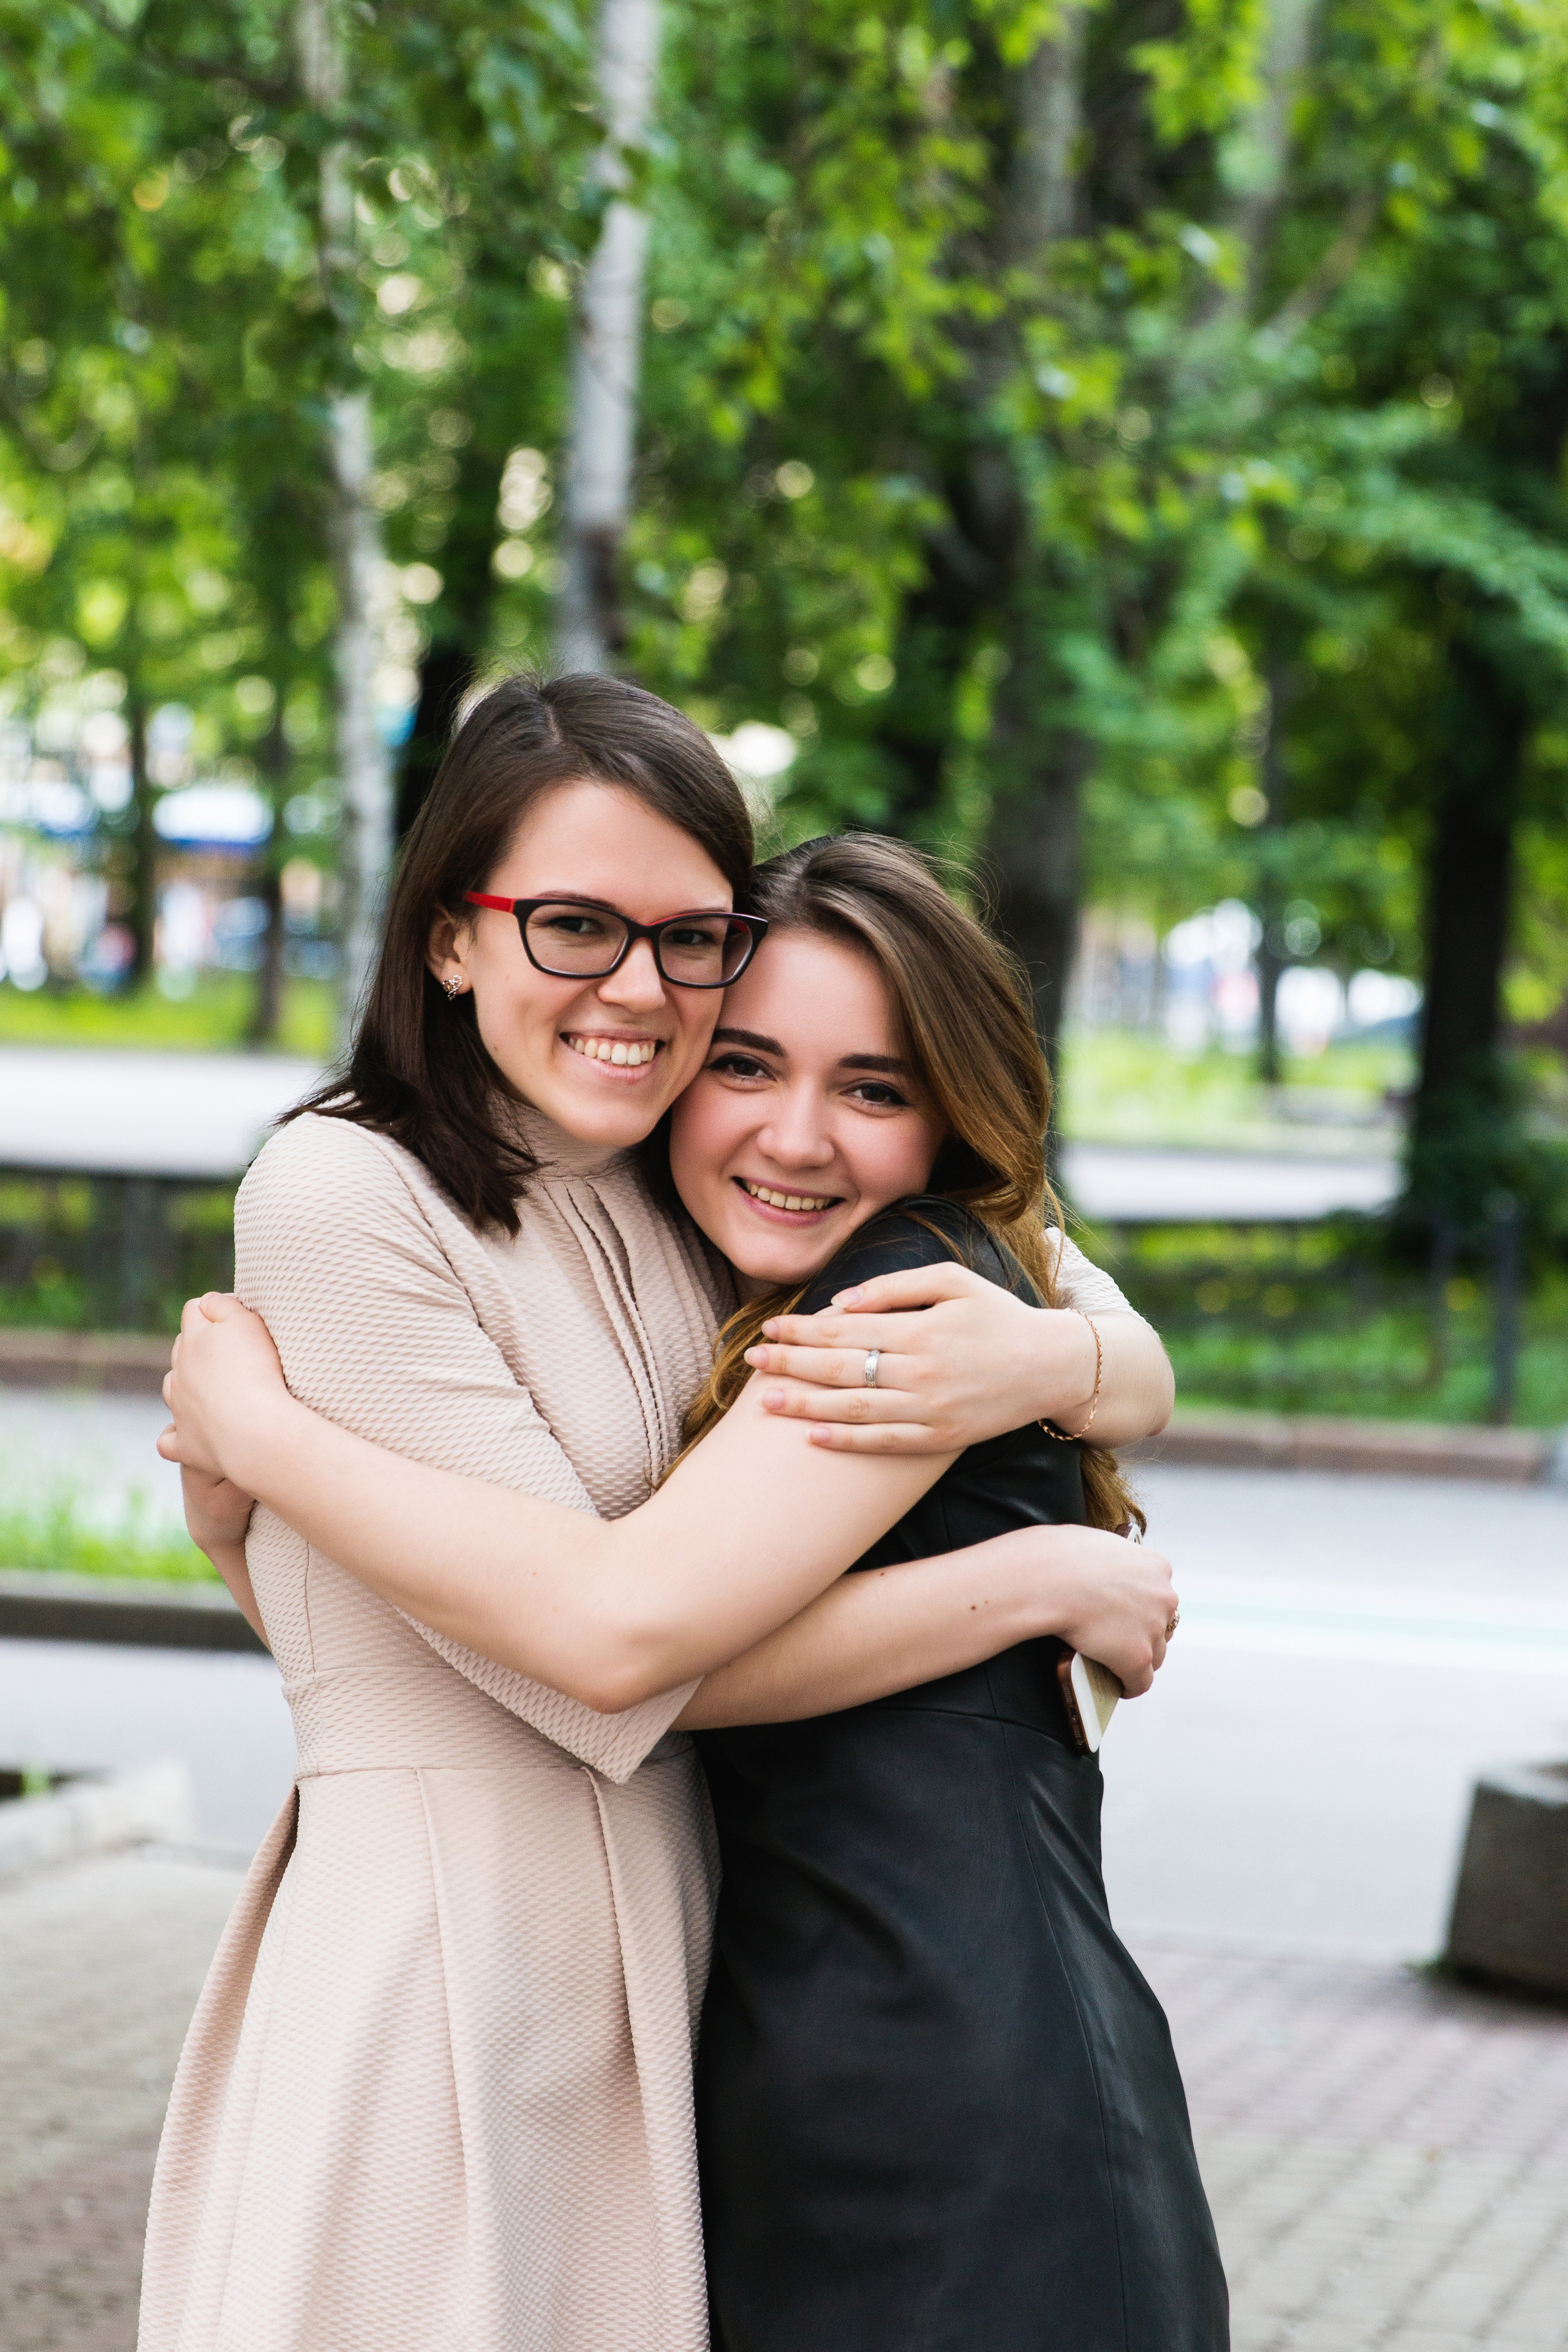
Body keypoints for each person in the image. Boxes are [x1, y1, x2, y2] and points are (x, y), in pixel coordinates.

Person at [154, 679, 1182, 2352]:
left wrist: (1065, 1358)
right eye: (572, 925)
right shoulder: (347, 1185)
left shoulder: (677, 1172)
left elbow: (1090, 1310)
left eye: (688, 938)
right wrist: (255, 1455)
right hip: (448, 1963)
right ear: (445, 938)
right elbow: (587, 1647)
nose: (637, 990)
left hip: (680, 1960)